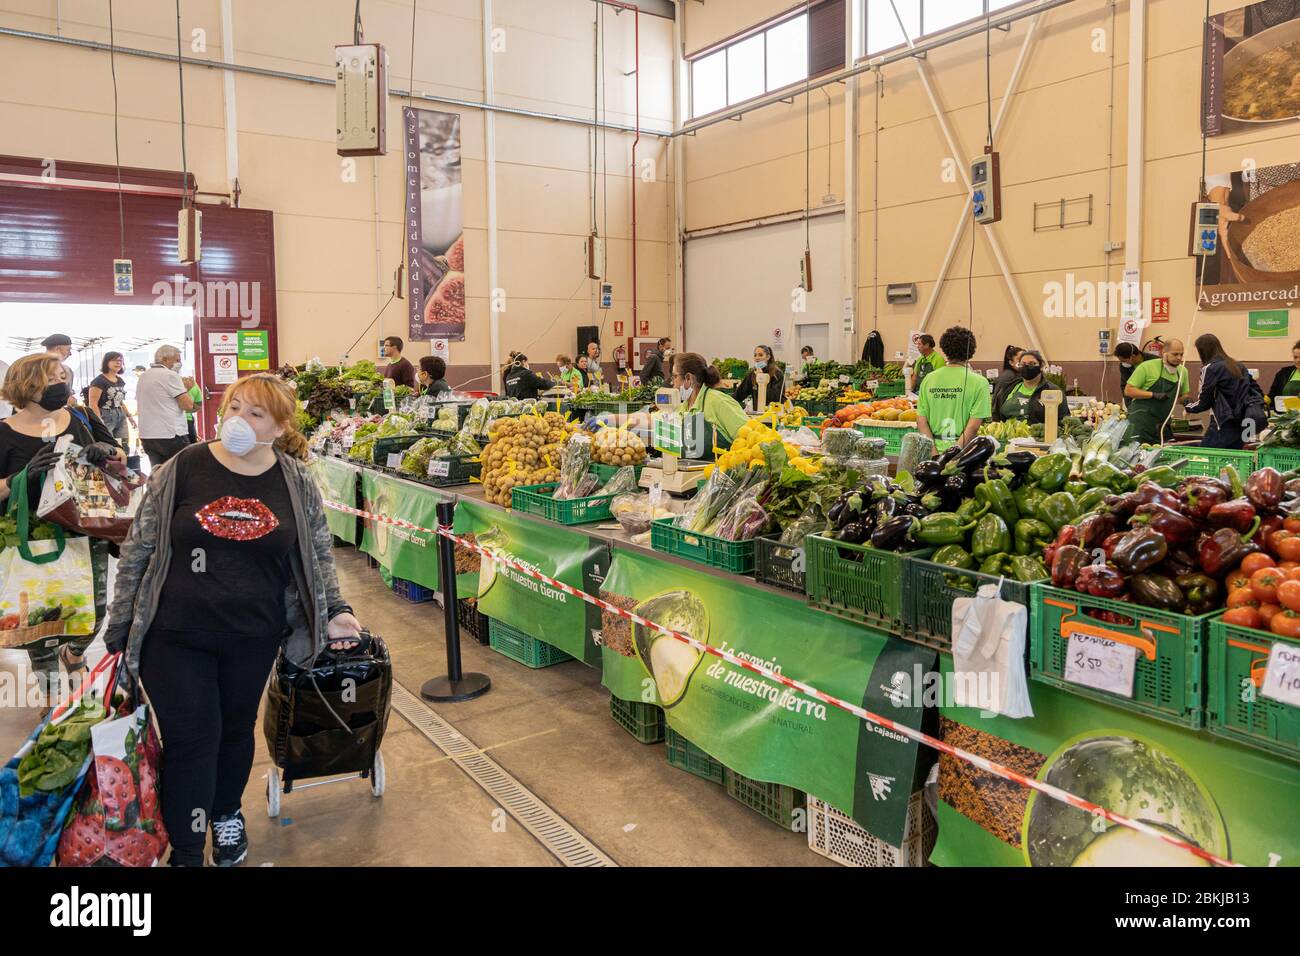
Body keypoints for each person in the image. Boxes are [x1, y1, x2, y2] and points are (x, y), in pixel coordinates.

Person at [102, 373, 363, 867]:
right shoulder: (183, 466)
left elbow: (317, 554)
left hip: (254, 634)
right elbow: (138, 549)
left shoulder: (295, 479)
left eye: (255, 414)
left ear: (280, 427)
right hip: (174, 634)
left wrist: (334, 611)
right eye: (234, 407)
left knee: (235, 731)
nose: (238, 421)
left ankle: (225, 813)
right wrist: (119, 627)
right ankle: (185, 849)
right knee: (193, 738)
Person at [0, 353, 125, 707]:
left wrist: (99, 454)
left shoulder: (77, 418)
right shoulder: (3, 433)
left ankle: (74, 653)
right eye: (53, 378)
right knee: (41, 620)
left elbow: (95, 467)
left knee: (94, 612)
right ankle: (53, 697)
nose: (62, 384)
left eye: (62, 376)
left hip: (81, 528)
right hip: (29, 536)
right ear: (28, 385)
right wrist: (20, 477)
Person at [1185, 333, 1267, 449]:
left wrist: (1188, 407)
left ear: (1202, 351)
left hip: (1223, 424)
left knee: (1206, 459)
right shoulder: (1239, 366)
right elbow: (1257, 391)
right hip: (1243, 426)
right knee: (1232, 462)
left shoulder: (1210, 368)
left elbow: (1204, 402)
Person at [916, 326, 991, 448]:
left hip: (932, 451)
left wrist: (934, 455)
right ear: (971, 350)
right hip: (964, 453)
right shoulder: (980, 382)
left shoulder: (928, 379)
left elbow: (921, 422)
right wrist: (954, 454)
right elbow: (973, 427)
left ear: (944, 349)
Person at [672, 351, 748, 448]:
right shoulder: (684, 407)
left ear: (688, 378)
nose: (672, 382)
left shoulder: (718, 401)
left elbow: (749, 436)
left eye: (675, 376)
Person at [136, 345, 196, 467]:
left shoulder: (144, 376)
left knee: (158, 473)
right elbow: (188, 405)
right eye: (177, 360)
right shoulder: (170, 375)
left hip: (148, 435)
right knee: (182, 471)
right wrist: (188, 388)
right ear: (164, 359)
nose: (179, 364)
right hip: (170, 434)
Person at [1124, 339, 1191, 445]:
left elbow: (1183, 395)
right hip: (1141, 425)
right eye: (1175, 354)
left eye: (1181, 355)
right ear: (1164, 353)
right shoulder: (1147, 367)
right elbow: (1128, 390)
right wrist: (1152, 394)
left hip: (1162, 425)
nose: (1179, 358)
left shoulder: (1183, 372)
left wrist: (1186, 401)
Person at [992, 350, 1065, 425]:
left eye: (1032, 363)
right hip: (1008, 435)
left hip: (1038, 435)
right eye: (1023, 364)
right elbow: (996, 414)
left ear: (1041, 366)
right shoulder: (1008, 388)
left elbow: (1062, 420)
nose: (1026, 367)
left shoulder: (1052, 390)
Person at [88, 352, 136, 449]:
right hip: (105, 415)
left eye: (120, 360)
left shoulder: (120, 381)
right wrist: (99, 421)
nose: (118, 363)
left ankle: (123, 463)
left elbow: (120, 401)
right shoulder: (99, 381)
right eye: (114, 360)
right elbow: (93, 403)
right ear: (106, 362)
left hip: (120, 415)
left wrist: (129, 416)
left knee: (124, 446)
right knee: (107, 446)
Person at [733, 345, 786, 410]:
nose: (757, 358)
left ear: (768, 357)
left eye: (760, 355)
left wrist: (761, 379)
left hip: (774, 414)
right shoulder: (752, 374)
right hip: (758, 414)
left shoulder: (777, 374)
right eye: (755, 355)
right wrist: (725, 399)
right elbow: (739, 394)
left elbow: (775, 398)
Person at [1113, 342, 1157, 407]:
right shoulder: (1124, 366)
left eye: (1124, 361)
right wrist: (1129, 406)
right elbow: (1124, 386)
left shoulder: (1154, 361)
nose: (1123, 363)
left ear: (1132, 356)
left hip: (1154, 399)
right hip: (1136, 402)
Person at [42, 333, 76, 402]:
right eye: (68, 350)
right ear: (57, 349)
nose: (70, 354)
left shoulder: (30, 367)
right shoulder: (66, 370)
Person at [1268, 340, 1300, 407]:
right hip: (1284, 412)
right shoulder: (1283, 373)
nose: (1298, 360)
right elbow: (1272, 395)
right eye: (1295, 357)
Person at [184, 376, 203, 443]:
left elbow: (198, 407)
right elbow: (198, 407)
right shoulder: (192, 383)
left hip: (186, 421)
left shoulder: (192, 384)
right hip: (187, 421)